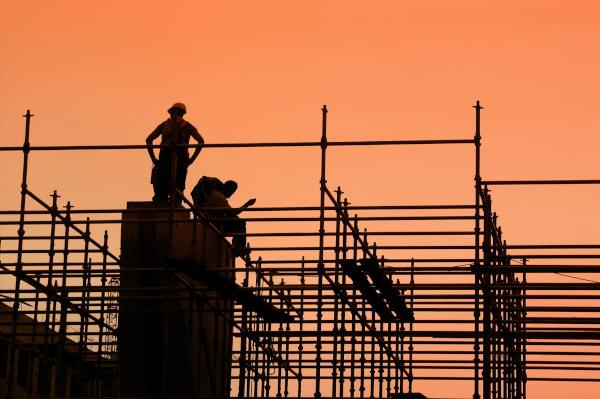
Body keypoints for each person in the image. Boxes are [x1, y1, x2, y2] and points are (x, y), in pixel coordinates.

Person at [146, 103, 204, 203]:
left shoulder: (166, 125)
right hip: (176, 157)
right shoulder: (186, 126)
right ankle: (173, 204)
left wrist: (154, 158)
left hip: (171, 157)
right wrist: (191, 160)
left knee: (168, 183)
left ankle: (170, 204)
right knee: (175, 184)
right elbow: (201, 141)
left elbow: (149, 140)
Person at [205, 180, 256, 257]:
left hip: (216, 222)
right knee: (240, 223)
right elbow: (232, 213)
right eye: (232, 191)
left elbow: (230, 214)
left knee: (238, 222)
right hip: (213, 223)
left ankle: (238, 247)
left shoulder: (219, 196)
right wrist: (247, 204)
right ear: (228, 189)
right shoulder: (219, 197)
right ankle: (239, 248)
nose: (232, 193)